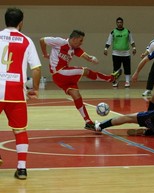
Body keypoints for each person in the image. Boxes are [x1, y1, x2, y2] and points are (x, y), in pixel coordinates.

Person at [40, 30, 122, 131]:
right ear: (74, 39)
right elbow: (42, 40)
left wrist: (92, 58)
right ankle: (110, 78)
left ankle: (88, 122)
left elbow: (85, 55)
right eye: (80, 40)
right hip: (60, 72)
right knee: (85, 71)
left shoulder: (75, 49)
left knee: (76, 95)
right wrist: (45, 54)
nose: (81, 43)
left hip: (62, 78)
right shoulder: (60, 42)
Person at [0, 7, 41, 179]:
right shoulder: (26, 41)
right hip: (16, 91)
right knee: (20, 130)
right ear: (21, 22)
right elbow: (37, 69)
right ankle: (22, 169)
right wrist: (35, 89)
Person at [104, 17, 136, 88]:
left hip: (126, 53)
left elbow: (132, 41)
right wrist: (106, 48)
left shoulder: (127, 31)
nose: (119, 23)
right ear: (116, 23)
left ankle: (127, 82)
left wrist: (134, 48)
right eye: (118, 22)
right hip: (116, 53)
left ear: (122, 23)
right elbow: (109, 41)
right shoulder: (113, 32)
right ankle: (116, 81)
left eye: (120, 22)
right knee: (116, 68)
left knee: (127, 68)